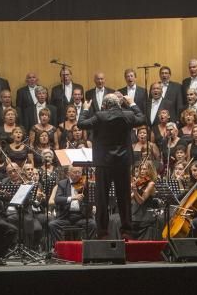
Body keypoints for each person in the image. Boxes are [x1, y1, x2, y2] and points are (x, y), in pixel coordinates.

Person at [75, 93, 146, 239]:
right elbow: (142, 119)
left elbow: (81, 124)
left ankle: (102, 233)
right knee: (124, 198)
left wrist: (85, 109)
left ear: (105, 105)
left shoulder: (100, 116)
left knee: (102, 198)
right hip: (122, 162)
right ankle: (127, 231)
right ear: (119, 104)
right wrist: (132, 103)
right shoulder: (128, 115)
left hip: (104, 163)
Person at [48, 165, 95, 243]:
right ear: (69, 173)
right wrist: (72, 198)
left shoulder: (84, 184)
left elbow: (91, 199)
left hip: (81, 216)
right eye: (75, 172)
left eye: (79, 172)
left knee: (92, 224)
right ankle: (61, 248)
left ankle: (88, 248)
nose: (77, 174)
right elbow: (57, 199)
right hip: (66, 217)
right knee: (52, 225)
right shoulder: (62, 184)